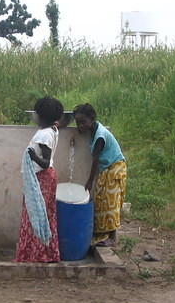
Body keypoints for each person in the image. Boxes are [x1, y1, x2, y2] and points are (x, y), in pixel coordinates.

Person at [15, 96, 64, 263]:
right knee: (44, 215)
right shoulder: (52, 130)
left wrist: (33, 156)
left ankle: (36, 255)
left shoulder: (44, 135)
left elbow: (44, 163)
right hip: (46, 178)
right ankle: (44, 253)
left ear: (41, 115)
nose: (34, 116)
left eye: (36, 113)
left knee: (36, 215)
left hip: (41, 179)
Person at [73, 103, 126, 247]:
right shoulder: (94, 129)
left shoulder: (100, 136)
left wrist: (89, 181)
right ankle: (103, 233)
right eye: (78, 123)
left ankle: (112, 237)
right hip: (107, 168)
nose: (80, 126)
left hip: (115, 167)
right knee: (101, 200)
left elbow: (95, 161)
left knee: (111, 202)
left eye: (83, 122)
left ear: (92, 119)